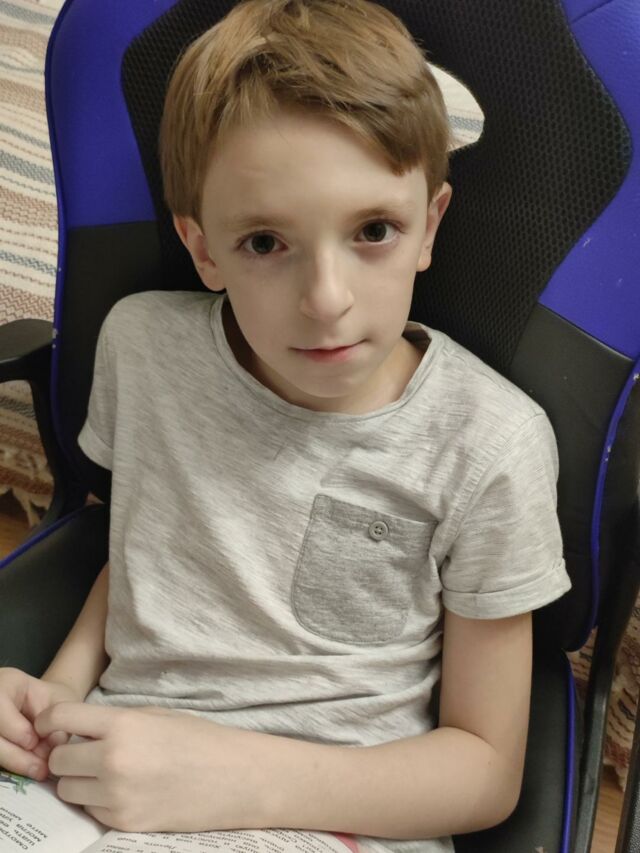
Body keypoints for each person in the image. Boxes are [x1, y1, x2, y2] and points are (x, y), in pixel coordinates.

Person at [0, 1, 572, 851]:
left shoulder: (488, 442)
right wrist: (59, 692)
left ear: (430, 224)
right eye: (266, 242)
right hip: (113, 769)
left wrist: (220, 777)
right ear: (202, 248)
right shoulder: (143, 347)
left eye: (373, 230)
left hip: (335, 810)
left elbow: (484, 770)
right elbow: (147, 543)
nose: (327, 300)